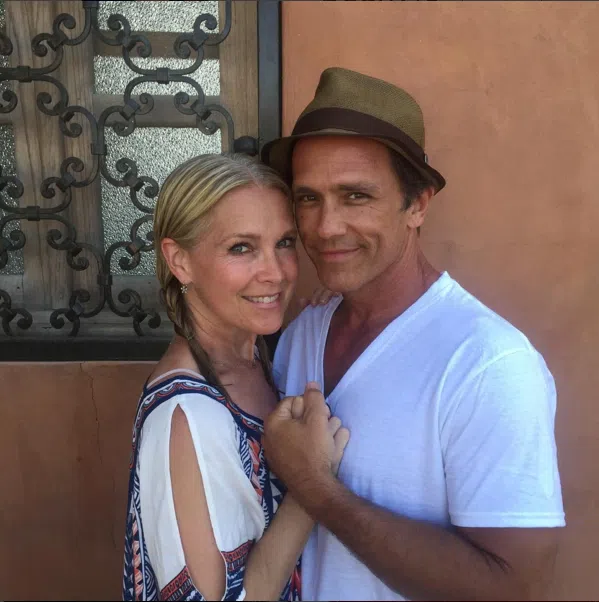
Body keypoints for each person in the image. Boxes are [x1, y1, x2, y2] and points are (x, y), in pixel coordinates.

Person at [260, 67, 565, 601]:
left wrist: (318, 489)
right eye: (308, 198)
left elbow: (515, 586)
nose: (326, 227)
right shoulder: (303, 332)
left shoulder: (487, 363)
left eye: (356, 196)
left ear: (418, 204)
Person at [122, 154, 349, 601]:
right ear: (180, 261)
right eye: (241, 248)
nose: (276, 272)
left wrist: (336, 307)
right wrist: (312, 484)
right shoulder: (189, 416)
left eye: (284, 243)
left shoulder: (259, 359)